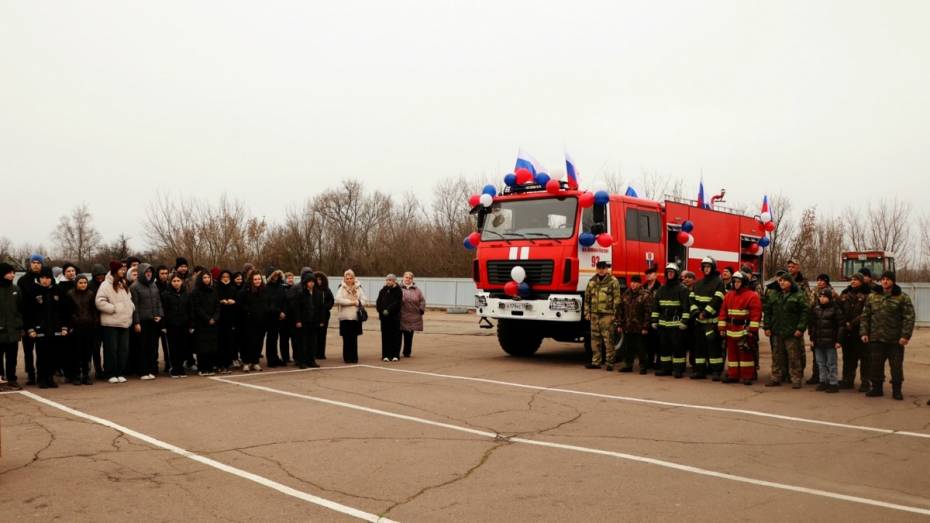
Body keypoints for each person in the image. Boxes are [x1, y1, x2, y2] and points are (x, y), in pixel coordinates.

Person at [861, 271, 915, 401]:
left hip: (895, 340)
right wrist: (864, 332)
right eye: (883, 279)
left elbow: (909, 317)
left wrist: (905, 336)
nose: (885, 281)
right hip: (876, 338)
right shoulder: (872, 296)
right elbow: (865, 316)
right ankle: (877, 389)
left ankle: (897, 391)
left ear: (893, 281)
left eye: (888, 279)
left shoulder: (902, 297)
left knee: (896, 366)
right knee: (875, 365)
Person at [763, 272, 808, 389]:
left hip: (791, 332)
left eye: (784, 280)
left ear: (790, 282)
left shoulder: (798, 295)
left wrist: (800, 328)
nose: (782, 282)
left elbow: (805, 312)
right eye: (780, 281)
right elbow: (767, 311)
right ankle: (776, 377)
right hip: (776, 330)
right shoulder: (774, 294)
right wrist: (767, 327)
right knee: (777, 356)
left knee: (794, 357)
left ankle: (796, 378)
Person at [24, 267, 66, 389]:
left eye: (47, 277)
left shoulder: (57, 290)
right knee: (42, 354)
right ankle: (41, 378)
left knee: (53, 354)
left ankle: (50, 378)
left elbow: (63, 311)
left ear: (51, 278)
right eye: (42, 277)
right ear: (39, 278)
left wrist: (63, 327)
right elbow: (28, 312)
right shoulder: (33, 291)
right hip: (40, 330)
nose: (45, 280)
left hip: (54, 329)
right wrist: (30, 329)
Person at [717, 271, 762, 385]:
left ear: (744, 282)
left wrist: (752, 331)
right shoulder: (729, 295)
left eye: (738, 282)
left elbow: (756, 315)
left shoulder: (752, 295)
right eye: (735, 282)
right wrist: (721, 327)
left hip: (744, 330)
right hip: (731, 330)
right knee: (732, 354)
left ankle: (747, 376)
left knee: (745, 354)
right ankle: (733, 374)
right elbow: (723, 312)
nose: (736, 284)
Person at [96, 261, 134, 384]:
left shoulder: (123, 283)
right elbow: (99, 301)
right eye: (121, 269)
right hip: (110, 323)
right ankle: (110, 373)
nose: (123, 271)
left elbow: (129, 299)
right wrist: (114, 308)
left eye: (124, 269)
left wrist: (131, 307)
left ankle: (120, 372)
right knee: (111, 349)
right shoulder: (105, 285)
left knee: (124, 349)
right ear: (115, 271)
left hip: (125, 322)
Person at [651, 263, 691, 378]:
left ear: (676, 274)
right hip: (663, 324)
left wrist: (684, 321)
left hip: (676, 324)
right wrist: (654, 320)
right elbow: (656, 306)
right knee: (664, 347)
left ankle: (678, 369)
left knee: (678, 347)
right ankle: (666, 368)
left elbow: (686, 307)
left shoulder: (682, 289)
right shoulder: (661, 289)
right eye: (668, 272)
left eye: (672, 272)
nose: (670, 274)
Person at [689, 257, 725, 380]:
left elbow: (717, 300)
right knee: (699, 347)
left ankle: (716, 371)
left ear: (713, 268)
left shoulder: (718, 283)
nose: (706, 269)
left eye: (708, 267)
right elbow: (691, 299)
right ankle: (700, 371)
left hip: (711, 322)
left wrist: (705, 313)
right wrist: (696, 312)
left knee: (714, 347)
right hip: (699, 322)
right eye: (704, 267)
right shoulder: (698, 283)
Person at [583, 261, 622, 370]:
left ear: (607, 269)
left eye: (603, 268)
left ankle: (610, 363)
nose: (601, 270)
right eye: (599, 268)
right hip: (594, 314)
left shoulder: (613, 281)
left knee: (608, 339)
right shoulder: (592, 281)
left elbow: (617, 299)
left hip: (607, 315)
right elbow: (587, 298)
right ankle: (596, 362)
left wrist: (615, 314)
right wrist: (587, 312)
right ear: (596, 269)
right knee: (595, 340)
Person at [130, 263, 164, 380]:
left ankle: (152, 369)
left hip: (154, 320)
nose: (149, 274)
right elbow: (134, 307)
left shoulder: (153, 285)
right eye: (146, 272)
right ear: (141, 273)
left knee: (153, 346)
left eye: (150, 271)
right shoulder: (134, 287)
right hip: (142, 321)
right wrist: (136, 322)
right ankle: (143, 371)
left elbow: (158, 302)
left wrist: (160, 315)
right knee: (142, 347)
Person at [838, 273, 871, 391]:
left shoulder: (868, 294)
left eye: (856, 280)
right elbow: (839, 309)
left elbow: (867, 312)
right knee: (848, 358)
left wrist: (853, 323)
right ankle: (847, 380)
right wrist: (845, 322)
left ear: (861, 281)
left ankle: (865, 382)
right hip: (847, 332)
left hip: (861, 331)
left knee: (864, 358)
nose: (853, 281)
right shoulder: (845, 293)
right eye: (851, 279)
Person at [65, 275, 98, 385]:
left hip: (89, 327)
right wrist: (71, 325)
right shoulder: (70, 294)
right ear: (76, 283)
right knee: (76, 352)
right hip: (75, 328)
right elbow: (68, 311)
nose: (83, 285)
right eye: (80, 283)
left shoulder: (91, 294)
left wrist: (94, 323)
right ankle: (76, 375)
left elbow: (94, 310)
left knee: (87, 353)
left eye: (85, 282)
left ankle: (86, 375)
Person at [616, 274, 652, 374]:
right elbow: (620, 310)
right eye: (632, 282)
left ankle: (643, 366)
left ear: (640, 284)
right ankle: (628, 365)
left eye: (635, 282)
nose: (633, 284)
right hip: (628, 326)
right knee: (628, 347)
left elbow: (648, 312)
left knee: (641, 348)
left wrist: (645, 327)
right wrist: (619, 324)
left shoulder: (645, 295)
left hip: (640, 327)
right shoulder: (626, 294)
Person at [18, 253, 45, 385]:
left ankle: (42, 373)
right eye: (34, 262)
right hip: (27, 320)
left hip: (41, 320)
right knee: (28, 351)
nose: (36, 265)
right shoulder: (23, 280)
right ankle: (30, 374)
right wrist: (23, 324)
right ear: (30, 264)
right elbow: (20, 303)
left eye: (38, 263)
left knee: (42, 350)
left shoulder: (45, 278)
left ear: (42, 265)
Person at [808, 288, 842, 393]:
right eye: (820, 297)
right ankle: (823, 381)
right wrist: (812, 339)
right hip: (818, 341)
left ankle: (833, 383)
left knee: (831, 363)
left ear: (829, 298)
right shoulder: (816, 309)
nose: (822, 299)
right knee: (820, 363)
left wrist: (838, 340)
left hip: (830, 341)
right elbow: (813, 325)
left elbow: (841, 326)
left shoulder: (835, 309)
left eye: (824, 297)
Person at [190, 271, 221, 376]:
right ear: (200, 279)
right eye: (204, 277)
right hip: (201, 323)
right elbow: (197, 308)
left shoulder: (214, 291)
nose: (207, 279)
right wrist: (207, 319)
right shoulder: (195, 292)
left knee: (212, 347)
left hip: (213, 323)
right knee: (202, 347)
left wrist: (215, 318)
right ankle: (202, 368)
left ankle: (210, 367)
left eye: (208, 277)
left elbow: (217, 306)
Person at [161, 274, 191, 378]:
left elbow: (190, 310)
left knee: (183, 347)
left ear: (182, 282)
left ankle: (181, 368)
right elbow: (163, 311)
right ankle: (174, 368)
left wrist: (191, 324)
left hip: (184, 324)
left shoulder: (186, 294)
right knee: (173, 347)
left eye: (178, 281)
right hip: (171, 325)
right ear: (170, 282)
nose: (176, 283)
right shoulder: (166, 294)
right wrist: (163, 326)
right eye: (174, 281)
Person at [0, 262, 24, 389]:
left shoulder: (16, 289)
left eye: (13, 272)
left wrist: (19, 324)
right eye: (9, 273)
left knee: (12, 357)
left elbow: (21, 309)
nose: (12, 275)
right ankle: (0, 379)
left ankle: (12, 379)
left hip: (13, 330)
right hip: (1, 329)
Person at [238, 272, 268, 372]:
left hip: (261, 321)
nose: (257, 281)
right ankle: (246, 362)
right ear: (251, 280)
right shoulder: (245, 291)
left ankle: (255, 362)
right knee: (247, 342)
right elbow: (240, 305)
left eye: (259, 279)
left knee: (258, 342)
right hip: (248, 321)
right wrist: (249, 312)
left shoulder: (264, 290)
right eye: (255, 279)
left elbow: (267, 303)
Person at [335, 270, 366, 364]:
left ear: (353, 278)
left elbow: (364, 299)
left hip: (355, 317)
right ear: (344, 279)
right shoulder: (341, 288)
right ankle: (347, 357)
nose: (349, 280)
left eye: (350, 278)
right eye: (347, 278)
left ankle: (354, 357)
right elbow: (338, 299)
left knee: (354, 338)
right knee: (346, 338)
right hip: (345, 317)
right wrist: (351, 302)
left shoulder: (358, 287)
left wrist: (357, 302)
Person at [294, 272, 323, 369]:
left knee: (312, 342)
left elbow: (320, 308)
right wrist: (298, 321)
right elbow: (297, 308)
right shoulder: (301, 293)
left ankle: (311, 360)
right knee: (303, 342)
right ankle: (301, 361)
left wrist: (321, 320)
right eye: (309, 282)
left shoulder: (318, 293)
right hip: (304, 321)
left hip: (314, 321)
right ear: (306, 282)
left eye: (313, 282)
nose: (311, 283)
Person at [376, 274, 404, 362]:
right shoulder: (383, 290)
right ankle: (385, 355)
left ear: (394, 281)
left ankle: (395, 355)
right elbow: (378, 302)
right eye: (387, 280)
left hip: (394, 317)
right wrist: (381, 310)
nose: (388, 282)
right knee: (385, 336)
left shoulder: (398, 290)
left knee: (395, 336)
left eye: (390, 280)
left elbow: (397, 303)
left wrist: (388, 310)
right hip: (384, 318)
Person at [216, 269, 238, 372]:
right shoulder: (217, 288)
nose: (225, 279)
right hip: (220, 318)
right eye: (223, 277)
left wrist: (234, 302)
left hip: (230, 318)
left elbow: (238, 302)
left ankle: (228, 363)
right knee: (220, 341)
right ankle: (220, 363)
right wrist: (221, 301)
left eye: (227, 277)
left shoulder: (233, 288)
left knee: (229, 341)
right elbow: (214, 301)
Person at [264, 270, 288, 367]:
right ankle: (271, 360)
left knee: (276, 338)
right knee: (271, 339)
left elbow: (285, 300)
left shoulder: (281, 287)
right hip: (271, 317)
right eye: (274, 276)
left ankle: (276, 358)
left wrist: (284, 312)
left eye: (277, 275)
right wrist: (279, 312)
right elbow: (268, 304)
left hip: (281, 317)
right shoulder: (266, 288)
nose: (276, 277)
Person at [399, 272, 425, 358]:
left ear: (412, 279)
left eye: (410, 278)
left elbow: (422, 300)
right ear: (403, 278)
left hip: (412, 317)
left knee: (409, 336)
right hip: (400, 316)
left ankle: (407, 352)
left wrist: (421, 309)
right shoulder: (398, 288)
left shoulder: (417, 290)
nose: (408, 279)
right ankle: (396, 352)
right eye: (406, 277)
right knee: (398, 336)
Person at [642, 266, 661, 370]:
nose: (648, 275)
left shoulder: (660, 288)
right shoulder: (643, 287)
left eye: (651, 273)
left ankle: (658, 362)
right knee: (647, 342)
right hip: (645, 318)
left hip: (656, 318)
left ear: (656, 275)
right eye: (647, 274)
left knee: (656, 341)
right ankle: (649, 361)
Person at [315, 272, 335, 360]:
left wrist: (326, 307)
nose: (318, 281)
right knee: (314, 334)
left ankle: (321, 353)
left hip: (324, 315)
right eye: (317, 279)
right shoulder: (312, 289)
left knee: (322, 334)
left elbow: (331, 300)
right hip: (314, 315)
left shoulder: (326, 289)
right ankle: (314, 352)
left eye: (320, 279)